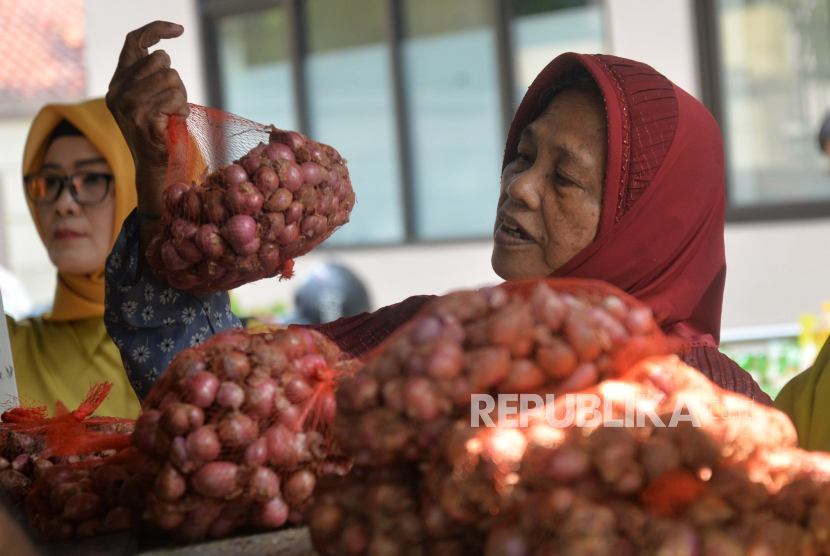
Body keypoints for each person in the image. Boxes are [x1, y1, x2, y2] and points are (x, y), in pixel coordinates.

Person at [103, 22, 769, 405]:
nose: (521, 187)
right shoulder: (429, 339)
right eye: (522, 156)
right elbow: (205, 391)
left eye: (564, 176)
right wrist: (162, 176)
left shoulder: (712, 406)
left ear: (653, 229)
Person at [10, 98, 141, 418]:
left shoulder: (222, 350)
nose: (63, 204)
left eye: (92, 178)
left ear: (137, 187)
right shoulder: (11, 355)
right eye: (51, 182)